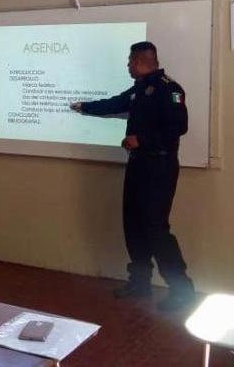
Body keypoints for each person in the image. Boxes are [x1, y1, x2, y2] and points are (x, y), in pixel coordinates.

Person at [70, 41, 195, 311]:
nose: (127, 65)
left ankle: (182, 289)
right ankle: (139, 283)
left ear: (141, 60)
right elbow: (115, 103)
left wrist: (143, 140)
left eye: (130, 61)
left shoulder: (169, 88)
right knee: (133, 225)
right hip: (138, 166)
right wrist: (83, 107)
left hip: (159, 167)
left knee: (156, 228)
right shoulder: (139, 88)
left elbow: (179, 126)